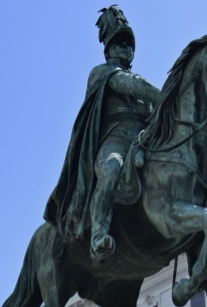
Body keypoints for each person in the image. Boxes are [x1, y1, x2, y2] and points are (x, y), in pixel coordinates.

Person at [45, 6, 161, 261]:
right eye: (118, 42)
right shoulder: (102, 73)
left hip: (144, 141)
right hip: (115, 140)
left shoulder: (140, 83)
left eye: (128, 44)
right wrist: (166, 95)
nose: (124, 47)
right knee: (110, 169)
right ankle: (99, 235)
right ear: (107, 48)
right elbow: (126, 84)